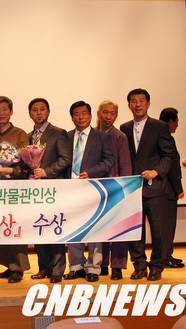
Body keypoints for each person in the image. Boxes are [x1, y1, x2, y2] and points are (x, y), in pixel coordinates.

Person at [120, 88, 175, 281]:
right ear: (129, 105)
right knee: (134, 231)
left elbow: (168, 155)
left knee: (158, 230)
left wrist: (156, 171)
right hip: (132, 188)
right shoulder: (124, 127)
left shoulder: (160, 126)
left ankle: (157, 267)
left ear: (148, 103)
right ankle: (139, 266)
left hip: (155, 187)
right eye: (134, 101)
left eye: (141, 101)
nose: (137, 104)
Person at [63, 101, 114, 283]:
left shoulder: (102, 137)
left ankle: (93, 267)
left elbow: (109, 161)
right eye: (76, 114)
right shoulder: (66, 137)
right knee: (72, 228)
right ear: (72, 117)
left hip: (93, 189)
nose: (80, 117)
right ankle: (76, 266)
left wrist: (91, 172)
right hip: (70, 190)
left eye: (84, 113)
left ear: (91, 115)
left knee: (94, 228)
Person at [27, 97, 71, 284]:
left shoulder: (58, 133)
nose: (38, 113)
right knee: (39, 227)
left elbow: (65, 159)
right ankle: (43, 267)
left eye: (42, 109)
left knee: (54, 228)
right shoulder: (29, 136)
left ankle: (57, 269)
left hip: (54, 189)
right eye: (35, 110)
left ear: (48, 111)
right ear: (30, 114)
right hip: (36, 191)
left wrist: (46, 171)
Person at [0, 96, 30, 284]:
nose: (1, 113)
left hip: (15, 186)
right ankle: (8, 264)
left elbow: (27, 162)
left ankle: (18, 268)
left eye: (5, 109)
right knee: (1, 225)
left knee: (15, 225)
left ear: (11, 111)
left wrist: (11, 170)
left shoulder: (20, 134)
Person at [96, 100, 132, 280]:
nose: (108, 116)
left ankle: (117, 266)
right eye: (105, 112)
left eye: (112, 113)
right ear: (98, 113)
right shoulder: (93, 134)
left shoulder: (119, 136)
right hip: (96, 187)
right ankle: (102, 264)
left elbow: (125, 164)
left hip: (116, 187)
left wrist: (125, 188)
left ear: (116, 116)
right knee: (99, 226)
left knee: (118, 228)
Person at [159, 107, 185, 269]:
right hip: (167, 189)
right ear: (169, 122)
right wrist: (178, 188)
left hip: (165, 188)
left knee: (166, 225)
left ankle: (167, 254)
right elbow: (172, 167)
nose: (177, 125)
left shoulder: (161, 136)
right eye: (176, 121)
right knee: (167, 225)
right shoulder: (166, 138)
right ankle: (164, 257)